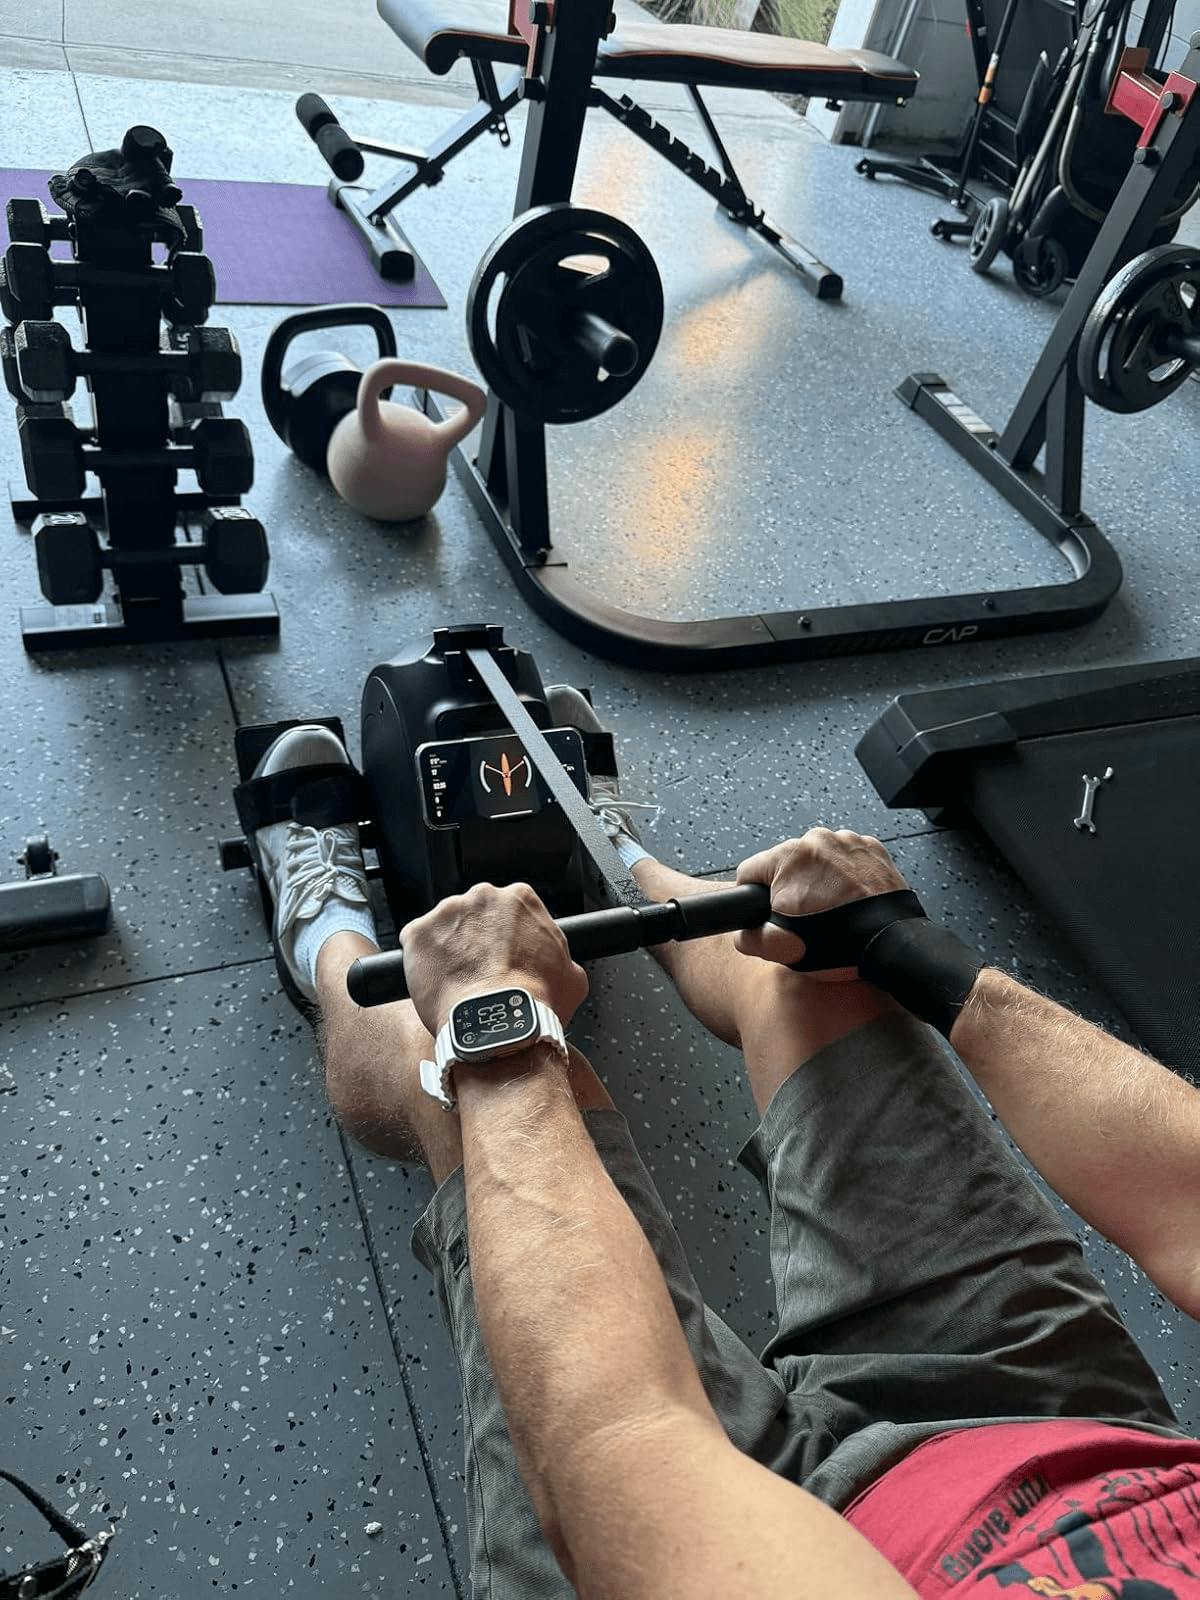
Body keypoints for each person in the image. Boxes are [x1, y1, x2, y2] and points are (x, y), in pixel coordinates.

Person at [249, 688, 1200, 1599]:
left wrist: (493, 1024)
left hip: (683, 1537)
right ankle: (617, 855)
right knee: (803, 959)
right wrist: (917, 955)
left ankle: (324, 939)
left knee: (452, 1079)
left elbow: (620, 1465)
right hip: (1063, 1438)